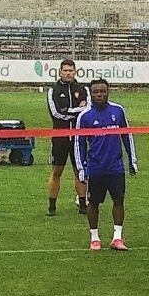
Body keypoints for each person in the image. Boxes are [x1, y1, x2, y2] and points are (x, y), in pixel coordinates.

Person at [74, 78, 137, 251]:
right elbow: (78, 143)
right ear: (91, 93)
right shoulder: (84, 117)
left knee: (118, 200)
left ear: (108, 92)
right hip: (96, 168)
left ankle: (117, 238)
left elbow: (127, 136)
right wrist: (81, 168)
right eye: (96, 92)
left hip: (116, 167)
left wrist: (132, 160)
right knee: (93, 203)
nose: (100, 94)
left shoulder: (118, 111)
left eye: (103, 91)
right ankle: (94, 238)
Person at [46, 58, 91, 216]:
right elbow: (56, 113)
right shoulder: (53, 91)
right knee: (57, 171)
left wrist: (70, 111)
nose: (68, 73)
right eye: (65, 70)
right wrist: (76, 111)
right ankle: (52, 206)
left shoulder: (84, 89)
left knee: (80, 171)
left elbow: (88, 110)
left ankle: (83, 205)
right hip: (60, 136)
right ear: (60, 72)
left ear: (75, 72)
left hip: (79, 138)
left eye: (71, 70)